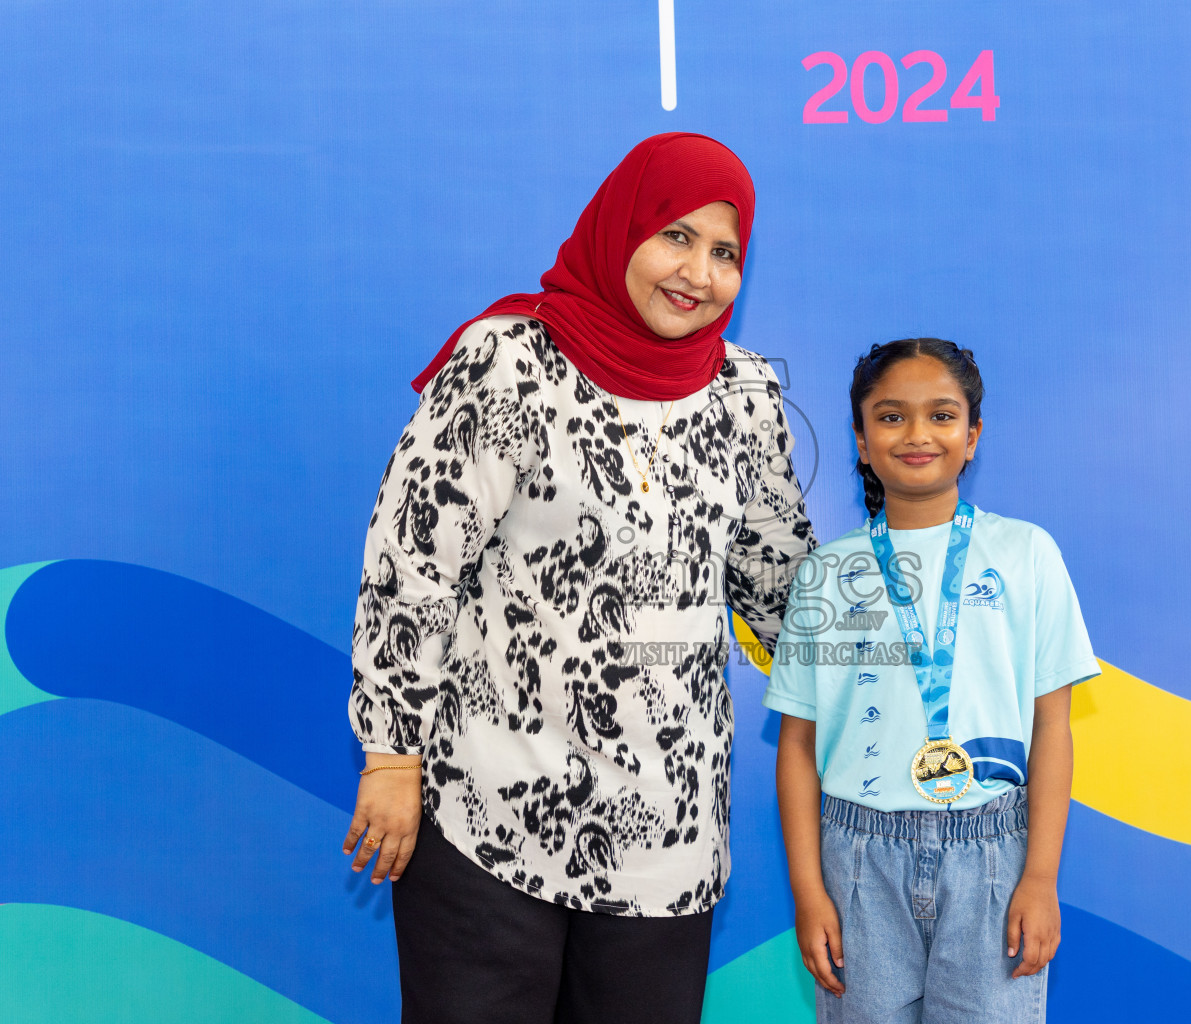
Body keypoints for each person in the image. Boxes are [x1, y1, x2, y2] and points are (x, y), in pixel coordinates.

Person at [342, 132, 815, 1024]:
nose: (699, 273)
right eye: (675, 236)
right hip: (485, 812)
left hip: (667, 838)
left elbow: (781, 586)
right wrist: (392, 754)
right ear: (619, 229)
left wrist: (900, 685)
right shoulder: (509, 363)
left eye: (726, 253)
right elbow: (411, 568)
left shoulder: (744, 393)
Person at [764, 339, 1100, 1024]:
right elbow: (797, 745)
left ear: (972, 436)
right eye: (890, 417)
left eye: (941, 415)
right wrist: (809, 890)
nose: (917, 434)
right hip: (858, 859)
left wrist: (1039, 876)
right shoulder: (826, 574)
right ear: (859, 440)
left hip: (994, 856)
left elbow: (1052, 730)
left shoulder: (1027, 553)